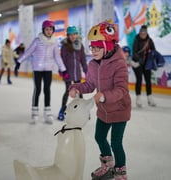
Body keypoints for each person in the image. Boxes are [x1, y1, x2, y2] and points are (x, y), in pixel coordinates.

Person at [69, 21, 131, 180]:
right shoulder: (93, 64)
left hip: (119, 110)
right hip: (103, 110)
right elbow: (90, 85)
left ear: (108, 46)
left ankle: (120, 172)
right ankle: (107, 165)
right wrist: (76, 88)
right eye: (92, 47)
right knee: (99, 137)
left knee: (116, 142)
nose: (94, 51)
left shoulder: (119, 64)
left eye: (98, 47)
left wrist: (104, 96)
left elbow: (122, 90)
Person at [17, 20, 67, 124]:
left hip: (48, 69)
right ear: (43, 30)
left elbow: (57, 57)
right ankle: (35, 113)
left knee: (47, 90)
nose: (49, 31)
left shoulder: (54, 42)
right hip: (37, 69)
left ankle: (47, 113)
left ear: (53, 30)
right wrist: (19, 61)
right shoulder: (37, 40)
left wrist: (63, 69)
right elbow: (28, 52)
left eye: (51, 29)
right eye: (47, 29)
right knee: (38, 89)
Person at [57, 26, 88, 121]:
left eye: (74, 34)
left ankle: (83, 110)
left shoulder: (80, 45)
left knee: (80, 91)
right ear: (68, 35)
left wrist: (86, 71)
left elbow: (83, 59)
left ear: (77, 35)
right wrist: (63, 71)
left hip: (77, 73)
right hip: (68, 73)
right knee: (67, 91)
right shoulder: (65, 46)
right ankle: (62, 110)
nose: (73, 36)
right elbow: (61, 60)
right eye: (70, 34)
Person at [132, 25, 156, 107]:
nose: (143, 34)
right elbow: (134, 52)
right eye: (141, 32)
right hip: (137, 63)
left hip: (146, 64)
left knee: (148, 80)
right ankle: (138, 98)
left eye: (144, 32)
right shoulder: (136, 40)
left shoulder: (149, 40)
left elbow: (153, 50)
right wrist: (139, 59)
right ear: (139, 32)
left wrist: (152, 57)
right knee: (139, 79)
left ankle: (150, 98)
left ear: (146, 33)